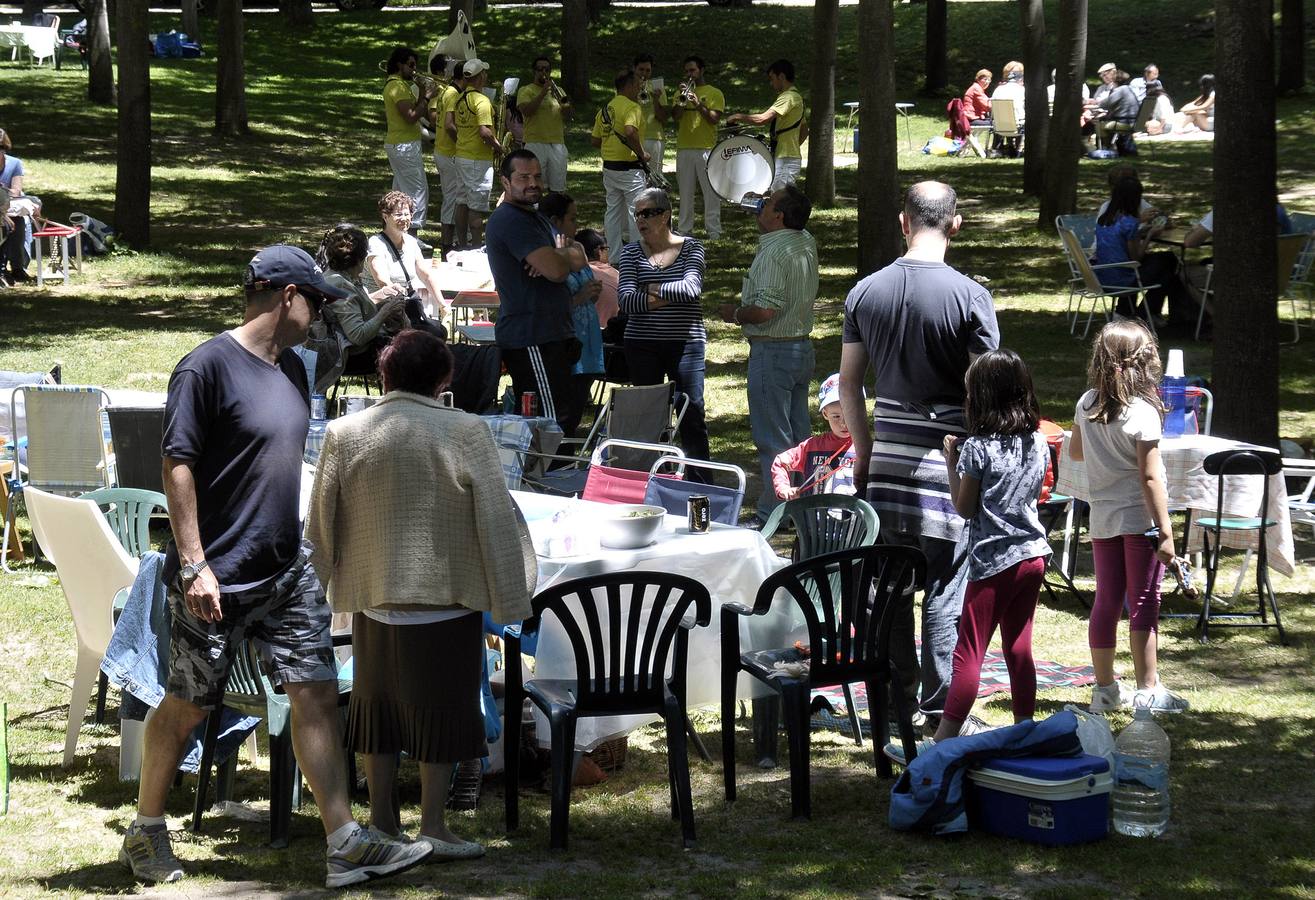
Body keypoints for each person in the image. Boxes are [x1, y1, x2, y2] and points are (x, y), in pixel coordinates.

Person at [118, 245, 431, 887]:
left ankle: (343, 840)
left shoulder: (295, 368)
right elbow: (176, 464)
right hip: (218, 576)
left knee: (315, 694)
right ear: (286, 295)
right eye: (314, 301)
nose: (320, 315)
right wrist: (194, 564)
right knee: (187, 705)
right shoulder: (205, 367)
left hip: (285, 570)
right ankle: (147, 829)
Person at [306, 329, 536, 860]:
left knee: (376, 713)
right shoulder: (464, 430)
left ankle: (382, 819)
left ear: (383, 376)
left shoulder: (345, 431)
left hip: (370, 595)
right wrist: (513, 595)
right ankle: (433, 824)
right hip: (444, 596)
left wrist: (313, 593)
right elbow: (498, 519)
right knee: (445, 714)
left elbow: (319, 525)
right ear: (444, 378)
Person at [838, 181, 1000, 736]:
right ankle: (939, 709)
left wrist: (863, 452)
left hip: (885, 468)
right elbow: (989, 396)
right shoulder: (971, 297)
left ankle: (891, 708)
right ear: (955, 224)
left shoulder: (864, 293)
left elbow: (850, 386)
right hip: (949, 470)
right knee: (945, 589)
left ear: (902, 222)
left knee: (889, 593)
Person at [890, 350, 1051, 759]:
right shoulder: (1037, 441)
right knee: (1019, 646)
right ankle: (1025, 729)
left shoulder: (978, 448)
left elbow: (964, 508)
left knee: (969, 651)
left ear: (979, 398)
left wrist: (951, 461)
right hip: (1033, 555)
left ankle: (942, 742)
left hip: (993, 563)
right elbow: (1034, 493)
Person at [1070, 320, 1190, 713]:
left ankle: (1104, 689)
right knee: (1144, 603)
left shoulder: (1086, 403)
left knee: (1106, 601)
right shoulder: (1144, 412)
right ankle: (1148, 689)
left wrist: (1104, 451)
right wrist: (1167, 532)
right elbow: (1151, 476)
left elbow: (1075, 452)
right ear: (1145, 363)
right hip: (1140, 522)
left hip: (1103, 518)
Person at [715, 184, 819, 521]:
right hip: (801, 348)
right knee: (800, 437)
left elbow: (764, 311)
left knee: (772, 438)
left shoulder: (775, 252)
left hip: (773, 351)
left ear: (779, 214)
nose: (761, 205)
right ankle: (804, 505)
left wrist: (734, 314)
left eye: (769, 202)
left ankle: (772, 514)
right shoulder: (805, 241)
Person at [485, 149, 590, 433]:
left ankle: (546, 475)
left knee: (559, 417)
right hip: (531, 335)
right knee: (550, 423)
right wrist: (558, 259)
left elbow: (580, 255)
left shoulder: (536, 216)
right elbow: (557, 271)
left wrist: (560, 255)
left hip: (552, 333)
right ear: (506, 182)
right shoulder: (511, 219)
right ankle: (547, 477)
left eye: (537, 176)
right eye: (523, 177)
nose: (533, 183)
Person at [616, 187, 710, 465]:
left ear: (666, 214)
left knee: (691, 413)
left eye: (647, 213)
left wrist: (653, 287)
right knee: (648, 415)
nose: (640, 220)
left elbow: (691, 289)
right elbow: (626, 302)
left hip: (686, 344)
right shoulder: (631, 252)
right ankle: (655, 478)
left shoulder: (692, 247)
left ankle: (700, 483)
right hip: (641, 345)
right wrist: (668, 295)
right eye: (637, 215)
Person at [312, 224, 410, 390]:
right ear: (360, 258)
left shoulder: (340, 277)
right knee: (417, 345)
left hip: (355, 349)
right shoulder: (339, 284)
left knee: (425, 332)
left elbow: (356, 310)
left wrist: (383, 302)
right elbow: (357, 335)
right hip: (352, 356)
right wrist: (385, 313)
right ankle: (411, 398)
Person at [540, 191, 605, 431]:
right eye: (572, 219)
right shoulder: (545, 255)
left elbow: (587, 282)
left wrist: (593, 293)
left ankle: (567, 458)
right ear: (556, 222)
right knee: (562, 410)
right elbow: (547, 302)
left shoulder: (577, 248)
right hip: (565, 337)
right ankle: (558, 460)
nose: (577, 225)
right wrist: (580, 297)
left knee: (577, 405)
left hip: (588, 334)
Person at [1093, 176, 1190, 324]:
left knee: (1165, 262)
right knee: (1169, 264)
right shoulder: (1130, 223)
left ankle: (1128, 312)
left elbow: (1121, 243)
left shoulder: (1105, 218)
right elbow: (1136, 258)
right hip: (1122, 277)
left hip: (1102, 273)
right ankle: (1142, 315)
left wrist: (1141, 230)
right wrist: (1149, 235)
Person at [362, 191, 449, 335]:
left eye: (407, 214)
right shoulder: (376, 245)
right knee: (425, 337)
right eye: (398, 215)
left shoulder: (411, 242)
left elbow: (426, 276)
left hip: (407, 307)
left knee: (439, 332)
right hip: (382, 312)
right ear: (385, 216)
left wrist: (443, 306)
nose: (404, 218)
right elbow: (384, 283)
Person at [769, 373, 856, 501]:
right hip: (815, 520)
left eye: (849, 414)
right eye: (836, 416)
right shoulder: (811, 447)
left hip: (854, 520)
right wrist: (784, 488)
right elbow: (780, 462)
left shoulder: (865, 448)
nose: (843, 423)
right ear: (825, 414)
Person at [591, 68, 649, 255]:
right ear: (630, 85)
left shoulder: (605, 110)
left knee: (613, 211)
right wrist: (641, 153)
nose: (639, 88)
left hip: (609, 166)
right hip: (629, 168)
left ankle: (615, 253)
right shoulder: (633, 107)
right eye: (637, 85)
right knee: (636, 211)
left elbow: (595, 140)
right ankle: (636, 254)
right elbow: (630, 131)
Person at [726, 59, 807, 191]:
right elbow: (804, 130)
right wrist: (791, 146)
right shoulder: (796, 96)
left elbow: (762, 119)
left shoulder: (788, 97)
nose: (771, 83)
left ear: (781, 76)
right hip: (787, 156)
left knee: (780, 199)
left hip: (786, 159)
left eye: (772, 78)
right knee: (781, 199)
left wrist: (738, 116)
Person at [382, 46, 435, 235]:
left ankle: (397, 234)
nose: (414, 69)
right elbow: (412, 116)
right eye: (411, 65)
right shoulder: (396, 86)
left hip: (403, 144)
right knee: (418, 190)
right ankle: (412, 233)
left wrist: (422, 93)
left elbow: (416, 110)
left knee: (401, 192)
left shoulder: (400, 85)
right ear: (399, 65)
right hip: (403, 145)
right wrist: (427, 97)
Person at [453, 58, 503, 249]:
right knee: (476, 206)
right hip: (477, 159)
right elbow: (485, 131)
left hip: (462, 154)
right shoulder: (482, 101)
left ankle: (463, 244)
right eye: (484, 72)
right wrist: (499, 147)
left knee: (462, 201)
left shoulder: (460, 98)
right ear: (480, 76)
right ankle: (475, 246)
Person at [673, 56, 725, 240]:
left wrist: (697, 103)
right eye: (687, 71)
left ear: (701, 70)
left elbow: (714, 118)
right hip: (684, 148)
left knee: (711, 192)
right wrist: (682, 100)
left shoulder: (714, 93)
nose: (689, 74)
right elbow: (676, 116)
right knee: (685, 192)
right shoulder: (680, 92)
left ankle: (713, 230)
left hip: (706, 148)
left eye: (693, 70)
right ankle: (685, 229)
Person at [519, 55, 572, 193]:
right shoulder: (526, 90)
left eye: (547, 69)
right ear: (534, 71)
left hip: (557, 144)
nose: (544, 72)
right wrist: (542, 93)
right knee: (535, 186)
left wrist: (565, 106)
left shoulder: (558, 90)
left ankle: (553, 213)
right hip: (535, 142)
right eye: (540, 69)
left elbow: (568, 115)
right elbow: (527, 111)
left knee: (557, 187)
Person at [427, 54, 461, 256]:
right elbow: (434, 118)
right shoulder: (447, 92)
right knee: (452, 196)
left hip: (445, 149)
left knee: (456, 196)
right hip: (448, 150)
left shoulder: (448, 91)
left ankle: (452, 238)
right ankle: (448, 241)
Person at [0, 128, 35, 286]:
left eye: (1, 148)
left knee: (18, 222)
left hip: (8, 205)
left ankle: (17, 268)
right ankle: (2, 270)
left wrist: (3, 190)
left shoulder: (15, 164)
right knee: (5, 224)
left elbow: (16, 191)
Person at [578, 227, 620, 328]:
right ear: (599, 251)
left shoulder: (577, 274)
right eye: (606, 249)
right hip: (617, 328)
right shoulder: (616, 273)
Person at [988, 61, 1025, 157]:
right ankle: (1018, 149)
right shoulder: (1022, 90)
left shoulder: (998, 89)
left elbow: (992, 109)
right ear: (1021, 77)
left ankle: (998, 148)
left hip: (999, 127)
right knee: (1021, 118)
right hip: (1017, 127)